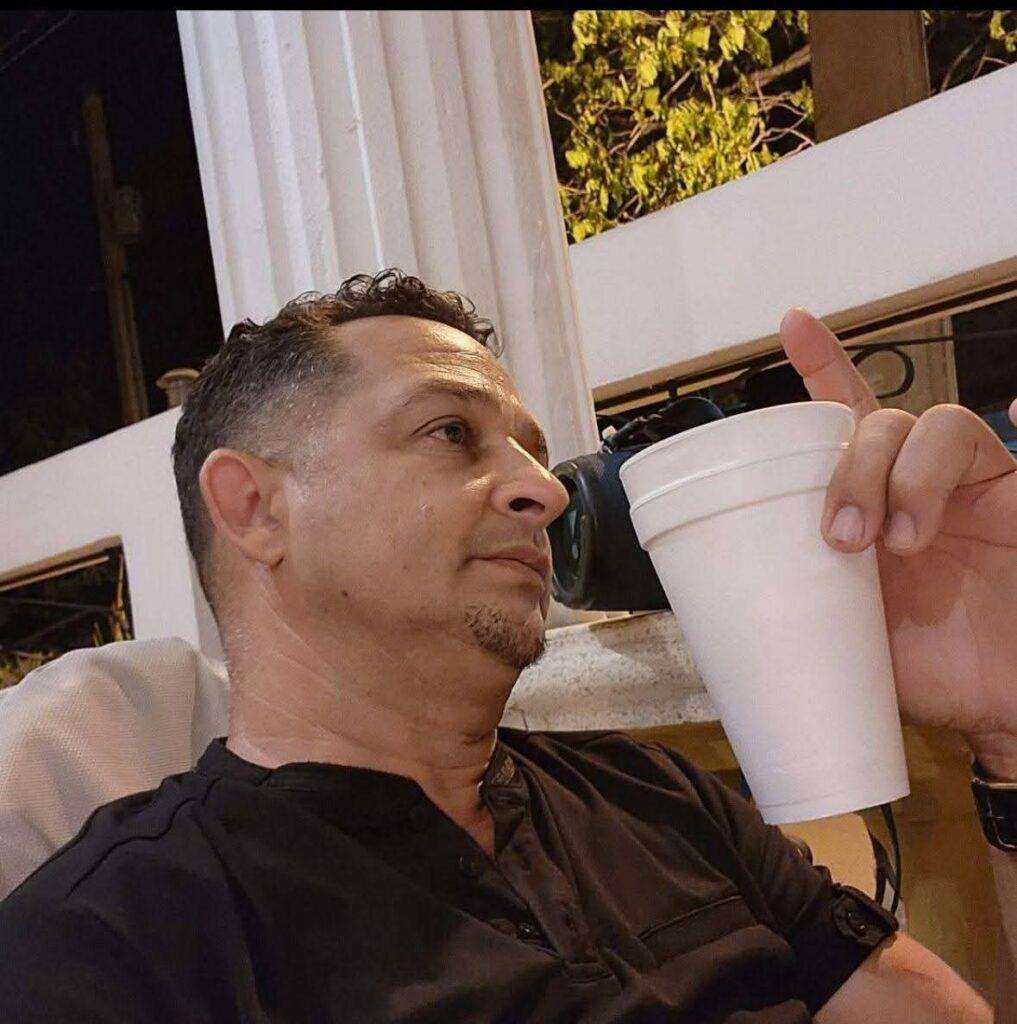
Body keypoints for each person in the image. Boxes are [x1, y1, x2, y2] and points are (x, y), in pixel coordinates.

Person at [0, 268, 1012, 1022]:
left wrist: (1008, 728)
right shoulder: (109, 945)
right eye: (450, 433)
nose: (546, 490)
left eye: (530, 448)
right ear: (254, 507)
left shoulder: (659, 801)